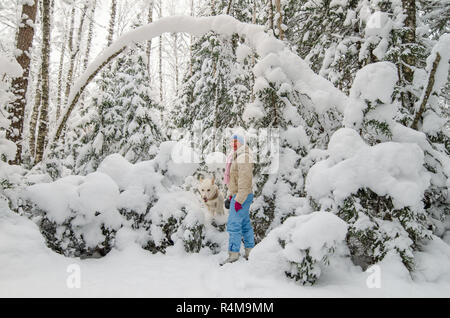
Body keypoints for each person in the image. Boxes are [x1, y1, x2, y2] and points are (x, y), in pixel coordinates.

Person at [220, 134, 255, 265]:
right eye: (232, 142)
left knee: (233, 225)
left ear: (241, 143)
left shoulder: (244, 157)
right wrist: (231, 196)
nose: (234, 145)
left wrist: (239, 200)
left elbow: (245, 180)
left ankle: (233, 255)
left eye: (237, 142)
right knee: (245, 224)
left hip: (242, 195)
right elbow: (234, 179)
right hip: (239, 194)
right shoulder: (237, 156)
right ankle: (250, 252)